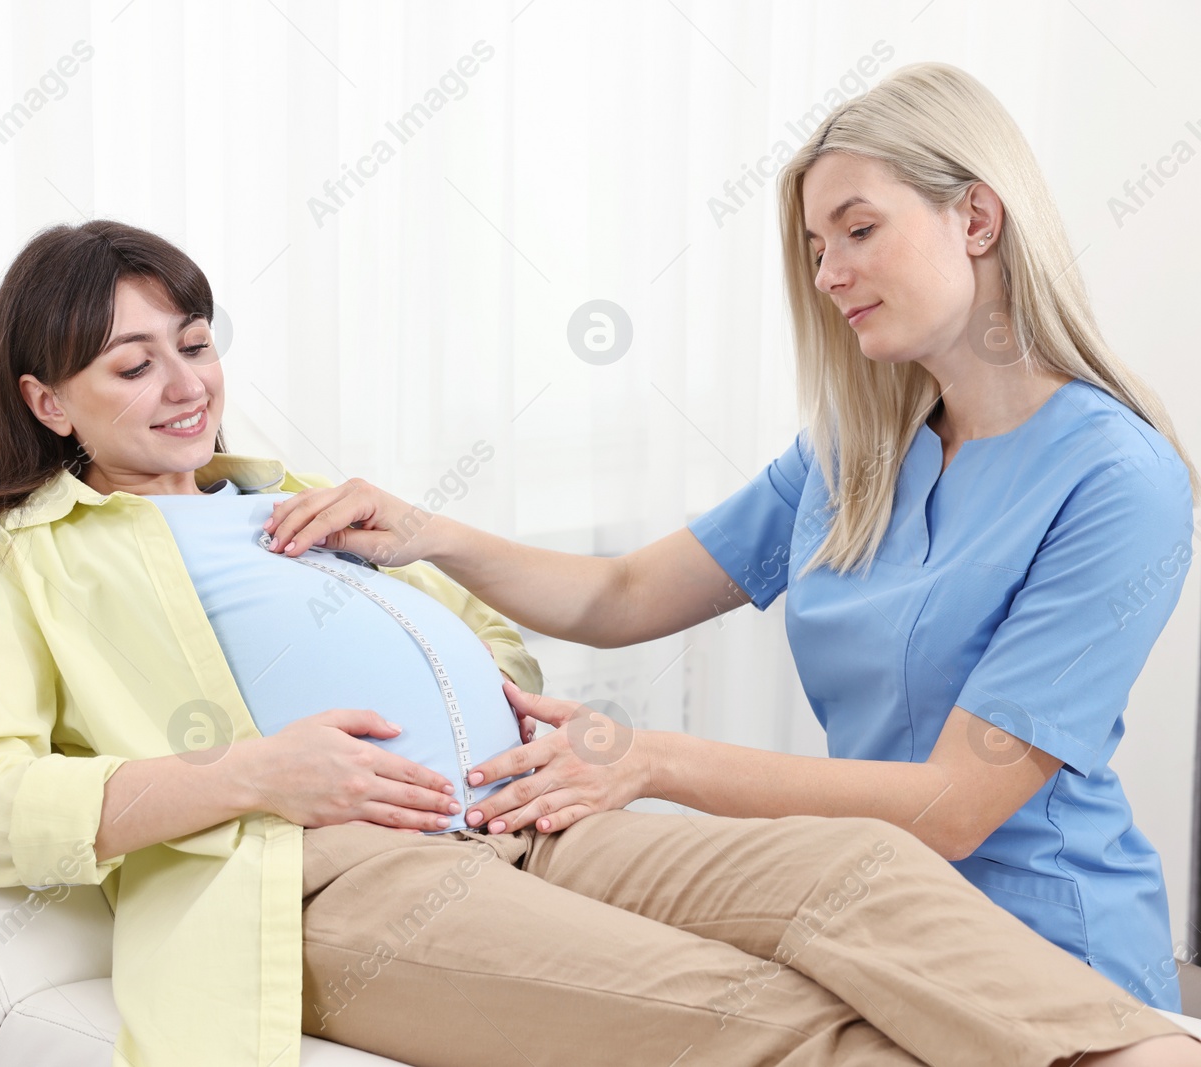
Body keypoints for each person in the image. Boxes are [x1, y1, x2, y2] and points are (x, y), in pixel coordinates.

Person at [0, 219, 1198, 1066]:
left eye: (195, 342)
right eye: (132, 366)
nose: (185, 383)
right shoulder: (15, 557)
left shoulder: (287, 498)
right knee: (737, 1002)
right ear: (43, 400)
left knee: (853, 874)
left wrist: (471, 645)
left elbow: (509, 648)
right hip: (339, 874)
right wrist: (252, 774)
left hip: (535, 807)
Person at [262, 60, 1199, 1018]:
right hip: (873, 918)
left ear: (977, 219)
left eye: (859, 230)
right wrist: (430, 533)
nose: (829, 274)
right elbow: (621, 594)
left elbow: (959, 802)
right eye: (816, 245)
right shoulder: (854, 454)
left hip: (1045, 950)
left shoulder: (1119, 482)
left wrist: (650, 760)